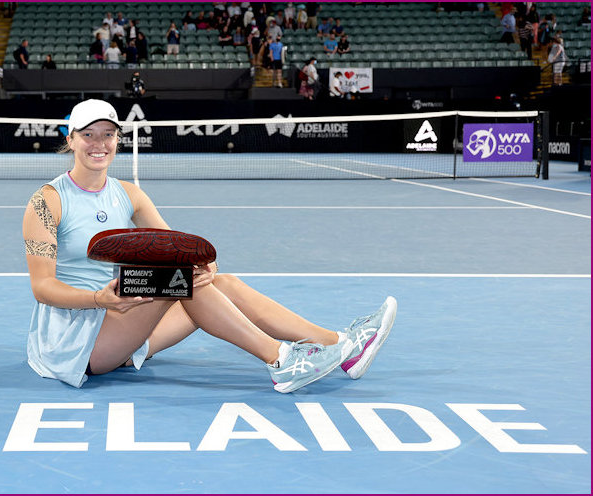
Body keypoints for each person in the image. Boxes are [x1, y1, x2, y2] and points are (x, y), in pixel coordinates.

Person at [21, 99, 397, 391]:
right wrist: (98, 300)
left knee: (220, 282)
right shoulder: (47, 200)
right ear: (70, 139)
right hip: (77, 343)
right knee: (179, 280)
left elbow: (174, 250)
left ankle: (344, 347)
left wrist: (202, 264)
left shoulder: (129, 195)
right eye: (88, 134)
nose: (99, 144)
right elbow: (43, 288)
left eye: (107, 134)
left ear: (118, 139)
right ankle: (282, 361)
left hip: (124, 321)